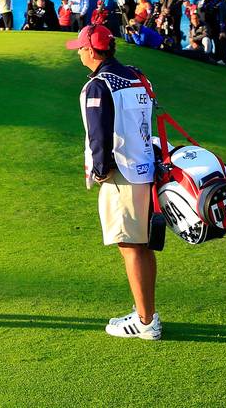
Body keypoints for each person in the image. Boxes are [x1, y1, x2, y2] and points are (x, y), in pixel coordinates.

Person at [67, 25, 161, 340]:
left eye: (80, 47)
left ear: (92, 50)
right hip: (147, 168)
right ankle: (146, 313)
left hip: (123, 171)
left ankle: (146, 322)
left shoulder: (98, 85)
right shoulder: (137, 75)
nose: (78, 52)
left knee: (130, 246)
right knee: (142, 246)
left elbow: (98, 134)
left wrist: (100, 170)